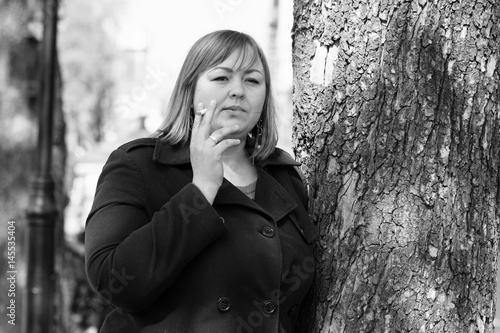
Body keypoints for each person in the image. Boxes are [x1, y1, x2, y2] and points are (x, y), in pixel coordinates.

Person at [85, 29, 318, 333]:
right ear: (190, 89)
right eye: (222, 77)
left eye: (252, 80)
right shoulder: (138, 165)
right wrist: (202, 189)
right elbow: (114, 282)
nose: (238, 91)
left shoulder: (286, 177)